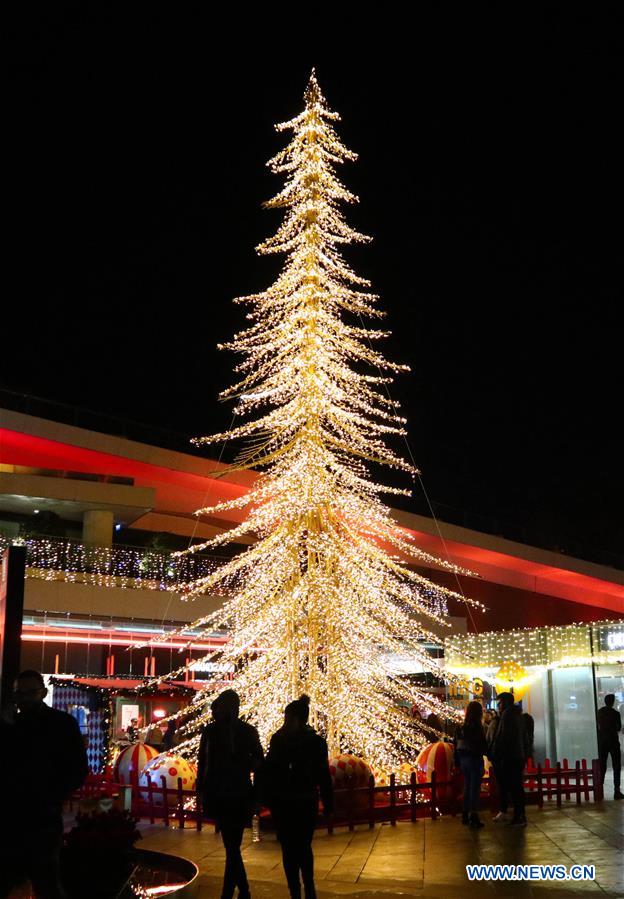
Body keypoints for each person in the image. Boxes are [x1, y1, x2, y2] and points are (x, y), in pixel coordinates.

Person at [0, 670, 89, 899]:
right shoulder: (10, 724)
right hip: (12, 816)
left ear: (43, 693)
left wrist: (52, 795)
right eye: (20, 693)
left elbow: (77, 769)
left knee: (45, 879)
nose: (24, 699)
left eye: (30, 693)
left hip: (42, 816)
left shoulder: (61, 724)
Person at [263, 695, 333, 899]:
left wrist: (267, 797)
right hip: (304, 801)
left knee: (290, 848)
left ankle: (297, 890)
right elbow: (323, 776)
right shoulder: (316, 742)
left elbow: (271, 770)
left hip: (287, 802)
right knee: (302, 846)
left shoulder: (280, 740)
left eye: (287, 718)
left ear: (294, 719)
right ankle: (307, 889)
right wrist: (328, 804)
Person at [196, 690, 263, 899]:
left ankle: (235, 891)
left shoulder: (233, 732)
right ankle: (241, 890)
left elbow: (258, 761)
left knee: (231, 845)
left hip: (233, 793)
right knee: (231, 845)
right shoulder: (214, 732)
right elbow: (203, 762)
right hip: (228, 793)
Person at [489, 692, 527, 827]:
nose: (498, 706)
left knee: (514, 787)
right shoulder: (517, 715)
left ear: (504, 703)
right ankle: (520, 815)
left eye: (499, 703)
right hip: (518, 755)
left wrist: (496, 753)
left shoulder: (507, 716)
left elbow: (503, 737)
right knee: (517, 787)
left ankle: (519, 817)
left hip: (510, 756)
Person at [454, 700, 488, 828]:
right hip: (474, 759)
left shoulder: (460, 727)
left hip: (463, 760)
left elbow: (455, 744)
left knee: (467, 787)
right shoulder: (477, 727)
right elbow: (482, 745)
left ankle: (465, 813)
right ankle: (474, 815)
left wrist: (457, 762)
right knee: (475, 788)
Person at [597, 694, 622, 800]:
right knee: (616, 766)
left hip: (602, 742)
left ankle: (600, 790)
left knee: (602, 765)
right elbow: (619, 727)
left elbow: (597, 725)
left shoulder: (599, 712)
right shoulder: (616, 713)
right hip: (613, 742)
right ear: (613, 702)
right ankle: (617, 791)